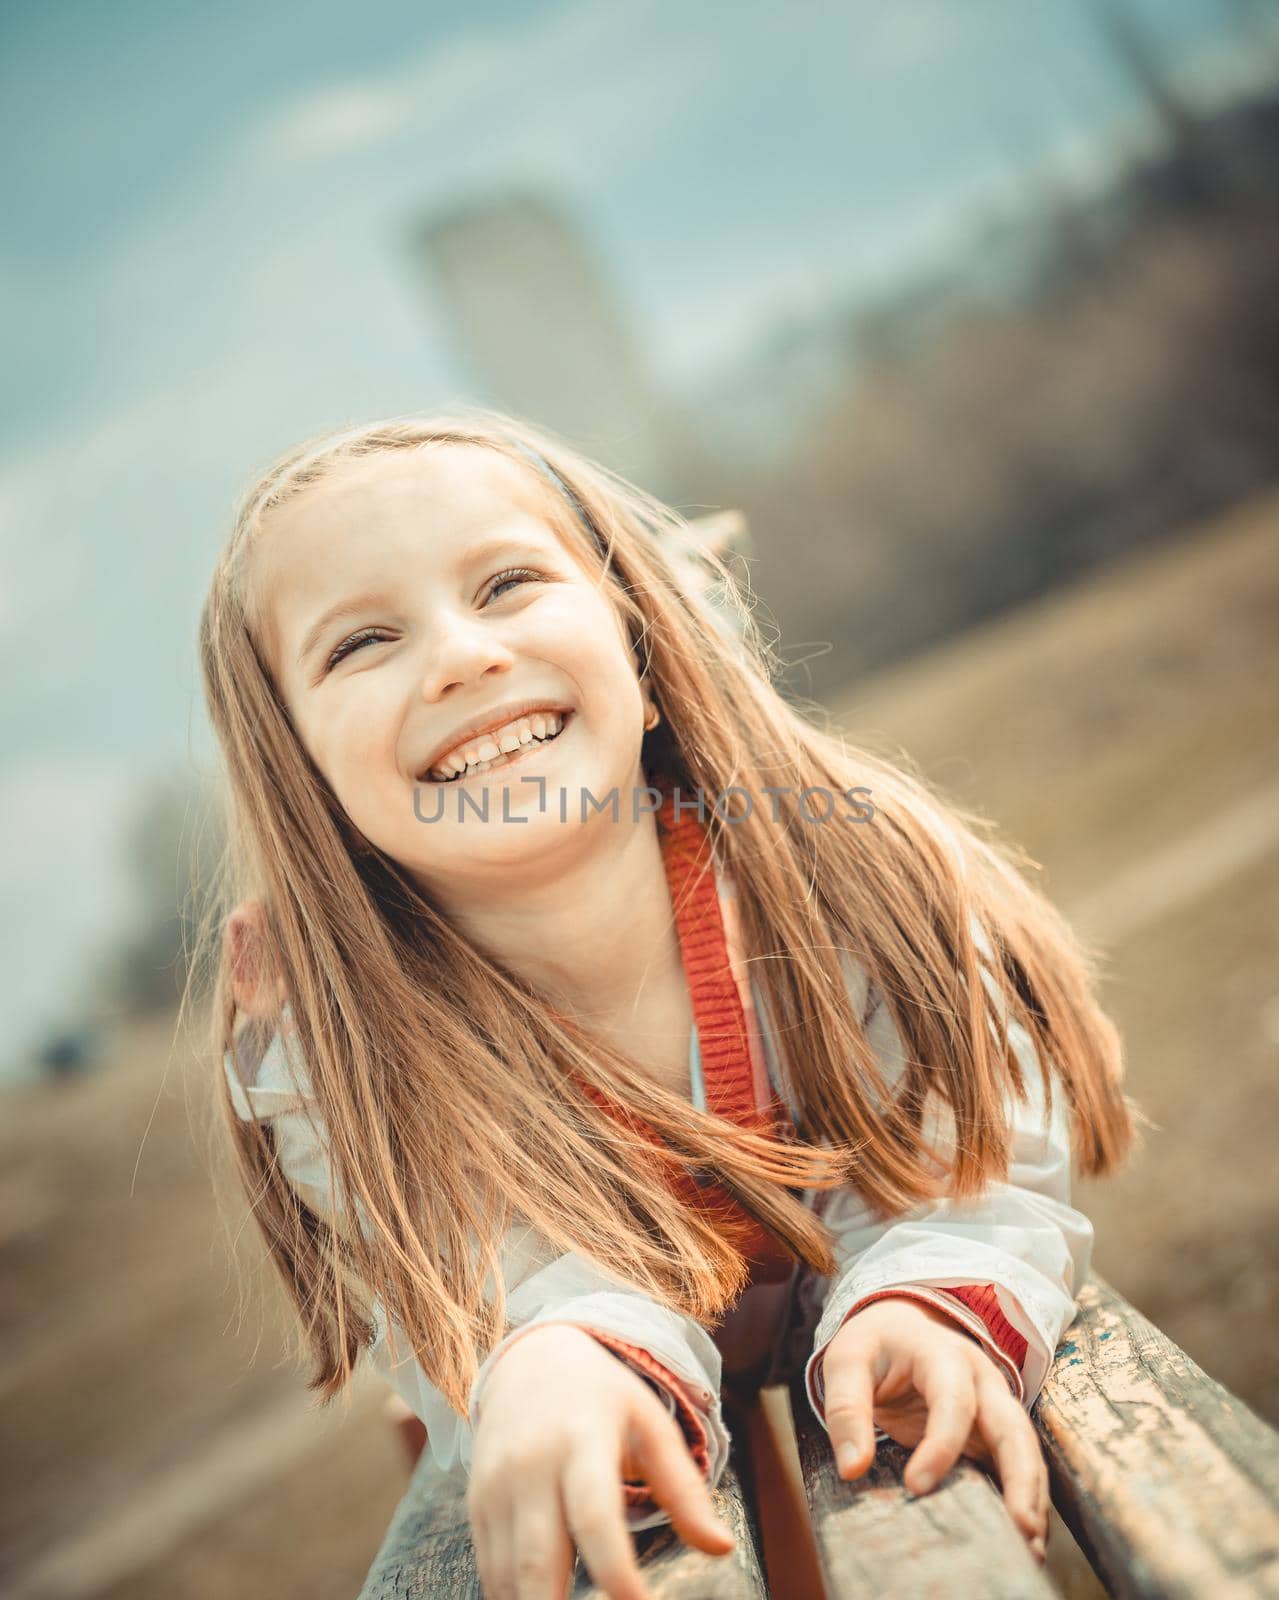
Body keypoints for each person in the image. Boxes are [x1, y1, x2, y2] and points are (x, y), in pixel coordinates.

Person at [196, 409, 1138, 1600]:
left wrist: (934, 1284)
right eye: (361, 642)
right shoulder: (334, 1045)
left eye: (507, 582)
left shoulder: (832, 873)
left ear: (638, 657)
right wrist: (547, 1361)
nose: (458, 656)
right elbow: (460, 1281)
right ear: (303, 778)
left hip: (843, 1305)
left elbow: (969, 1150)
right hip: (597, 1390)